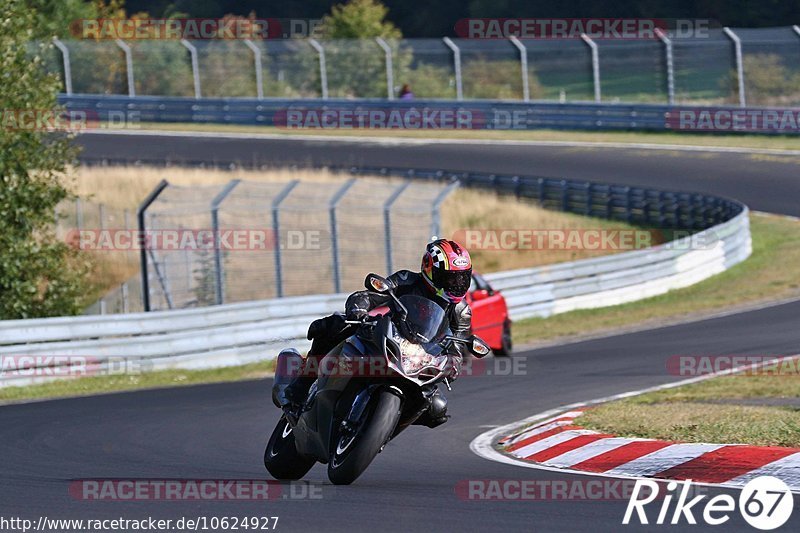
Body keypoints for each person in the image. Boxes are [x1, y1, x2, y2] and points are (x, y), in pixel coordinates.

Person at [275, 238, 473, 428]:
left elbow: (457, 349)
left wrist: (451, 365)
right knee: (336, 326)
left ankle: (382, 428)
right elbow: (369, 296)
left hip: (422, 359)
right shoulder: (407, 280)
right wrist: (359, 310)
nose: (456, 284)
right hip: (388, 336)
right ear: (430, 269)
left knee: (437, 409)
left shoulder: (461, 312)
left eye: (462, 278)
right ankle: (299, 388)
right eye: (450, 278)